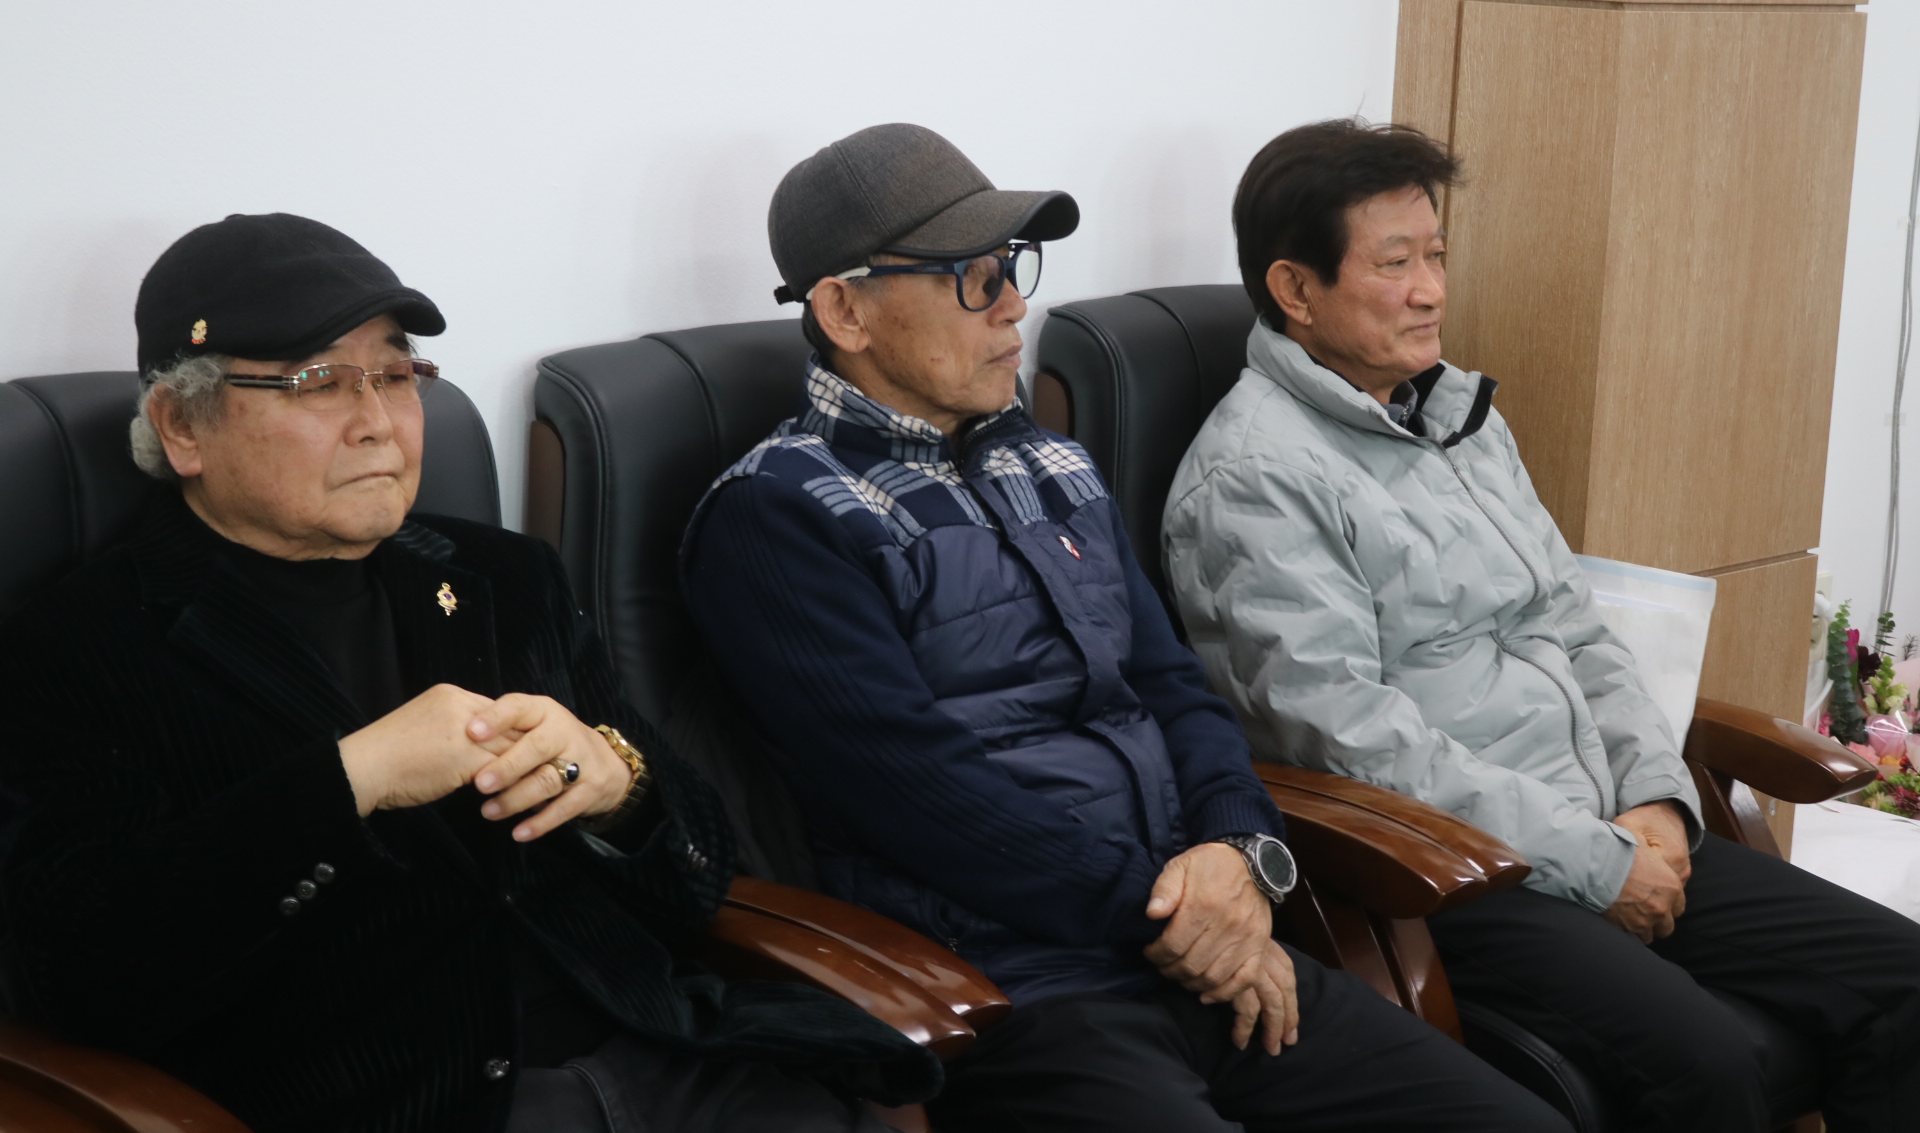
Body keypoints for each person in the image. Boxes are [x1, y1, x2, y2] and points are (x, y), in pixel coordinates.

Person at [681, 122, 1569, 1132]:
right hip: (1017, 988)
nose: (1014, 305)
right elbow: (917, 790)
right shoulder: (778, 514)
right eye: (972, 280)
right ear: (845, 310)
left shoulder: (1052, 467)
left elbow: (1174, 689)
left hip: (1202, 939)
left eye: (1012, 267)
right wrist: (1172, 913)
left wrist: (1239, 851)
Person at [0, 213, 937, 1133]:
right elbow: (82, 977)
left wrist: (619, 790)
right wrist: (348, 781)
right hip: (406, 1101)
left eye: (395, 374)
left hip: (661, 1047)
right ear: (182, 426)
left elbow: (698, 876)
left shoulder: (504, 578)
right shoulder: (83, 644)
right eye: (320, 382)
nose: (378, 424)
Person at [1162, 118, 1920, 1133]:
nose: (1432, 290)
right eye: (1395, 263)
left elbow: (1576, 626)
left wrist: (1655, 798)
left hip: (1607, 818)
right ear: (1296, 289)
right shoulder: (1254, 479)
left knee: (1902, 979)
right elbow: (1351, 741)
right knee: (1707, 1061)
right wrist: (1596, 862)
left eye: (1436, 255)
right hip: (1464, 870)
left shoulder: (1458, 419)